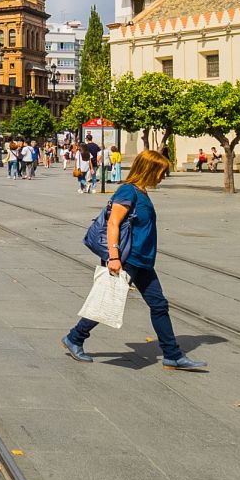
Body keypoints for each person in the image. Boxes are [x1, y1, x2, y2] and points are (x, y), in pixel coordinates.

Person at [61, 149, 207, 371]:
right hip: (128, 259)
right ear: (149, 170)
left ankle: (172, 355)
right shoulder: (128, 192)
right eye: (160, 172)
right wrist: (114, 257)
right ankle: (75, 337)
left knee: (159, 305)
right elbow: (113, 224)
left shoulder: (141, 192)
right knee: (108, 301)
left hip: (143, 261)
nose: (162, 177)